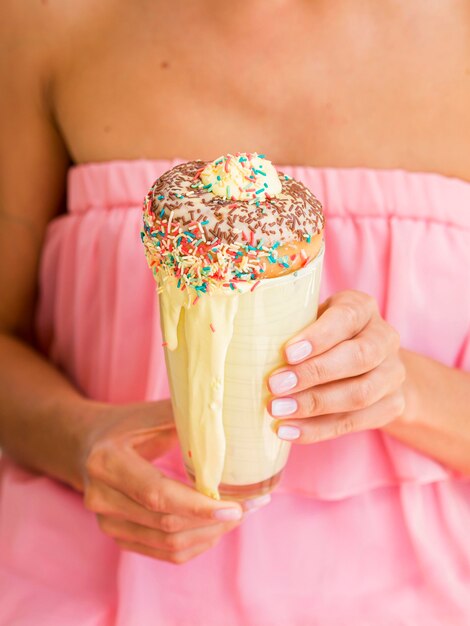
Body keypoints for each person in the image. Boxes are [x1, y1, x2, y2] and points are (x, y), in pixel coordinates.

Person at [1, 1, 470, 624]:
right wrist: (77, 438)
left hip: (418, 594)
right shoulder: (43, 21)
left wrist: (400, 386)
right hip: (77, 580)